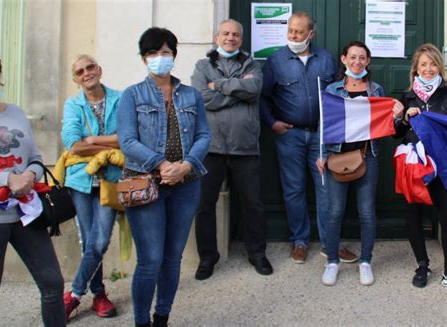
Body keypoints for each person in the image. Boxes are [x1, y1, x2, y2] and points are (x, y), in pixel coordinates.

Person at [117, 27, 211, 327]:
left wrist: (186, 165)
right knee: (150, 261)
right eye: (153, 53)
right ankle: (141, 321)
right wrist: (161, 164)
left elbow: (204, 135)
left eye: (166, 52)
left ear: (174, 55)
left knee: (173, 259)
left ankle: (162, 318)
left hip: (185, 185)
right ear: (144, 58)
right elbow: (127, 140)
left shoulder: (191, 95)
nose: (160, 58)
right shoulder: (132, 95)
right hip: (145, 184)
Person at [0, 48, 66, 326]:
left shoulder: (15, 112)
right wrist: (6, 179)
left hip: (25, 213)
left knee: (53, 284)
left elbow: (36, 158)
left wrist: (28, 175)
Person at [260, 11, 357, 263]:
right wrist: (272, 124)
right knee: (293, 190)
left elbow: (339, 92)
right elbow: (263, 97)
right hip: (289, 135)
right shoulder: (275, 60)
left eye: (299, 31)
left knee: (326, 190)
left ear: (310, 33)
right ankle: (299, 242)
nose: (293, 35)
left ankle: (330, 244)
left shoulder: (325, 59)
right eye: (290, 30)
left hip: (322, 136)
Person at [316, 41, 404, 286]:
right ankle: (332, 261)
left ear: (367, 61)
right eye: (352, 57)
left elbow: (387, 127)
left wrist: (396, 116)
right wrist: (320, 153)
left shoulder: (376, 90)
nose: (357, 62)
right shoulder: (332, 90)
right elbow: (323, 125)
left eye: (362, 58)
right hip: (336, 156)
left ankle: (366, 261)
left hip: (368, 156)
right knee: (334, 212)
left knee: (367, 212)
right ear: (343, 59)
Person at [191, 19, 272, 280]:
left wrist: (220, 86)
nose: (230, 38)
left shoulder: (252, 65)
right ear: (217, 37)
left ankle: (257, 253)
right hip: (211, 147)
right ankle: (207, 257)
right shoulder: (202, 66)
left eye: (236, 34)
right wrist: (237, 90)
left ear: (241, 39)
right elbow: (202, 98)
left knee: (253, 205)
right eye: (225, 33)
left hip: (245, 147)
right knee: (204, 205)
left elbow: (254, 89)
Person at [61, 54, 122, 320]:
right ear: (76, 79)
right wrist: (111, 143)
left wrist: (94, 139)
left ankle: (74, 294)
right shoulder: (73, 105)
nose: (86, 72)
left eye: (90, 67)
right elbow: (74, 144)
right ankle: (98, 294)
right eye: (80, 71)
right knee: (89, 242)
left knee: (100, 239)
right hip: (81, 181)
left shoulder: (120, 99)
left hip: (111, 179)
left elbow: (128, 138)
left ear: (99, 69)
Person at [395, 43, 447, 288]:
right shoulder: (406, 97)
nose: (428, 69)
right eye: (423, 64)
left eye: (433, 63)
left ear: (440, 66)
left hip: (442, 164)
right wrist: (404, 118)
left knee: (445, 215)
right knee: (413, 213)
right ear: (415, 68)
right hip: (415, 165)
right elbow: (394, 132)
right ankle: (422, 265)